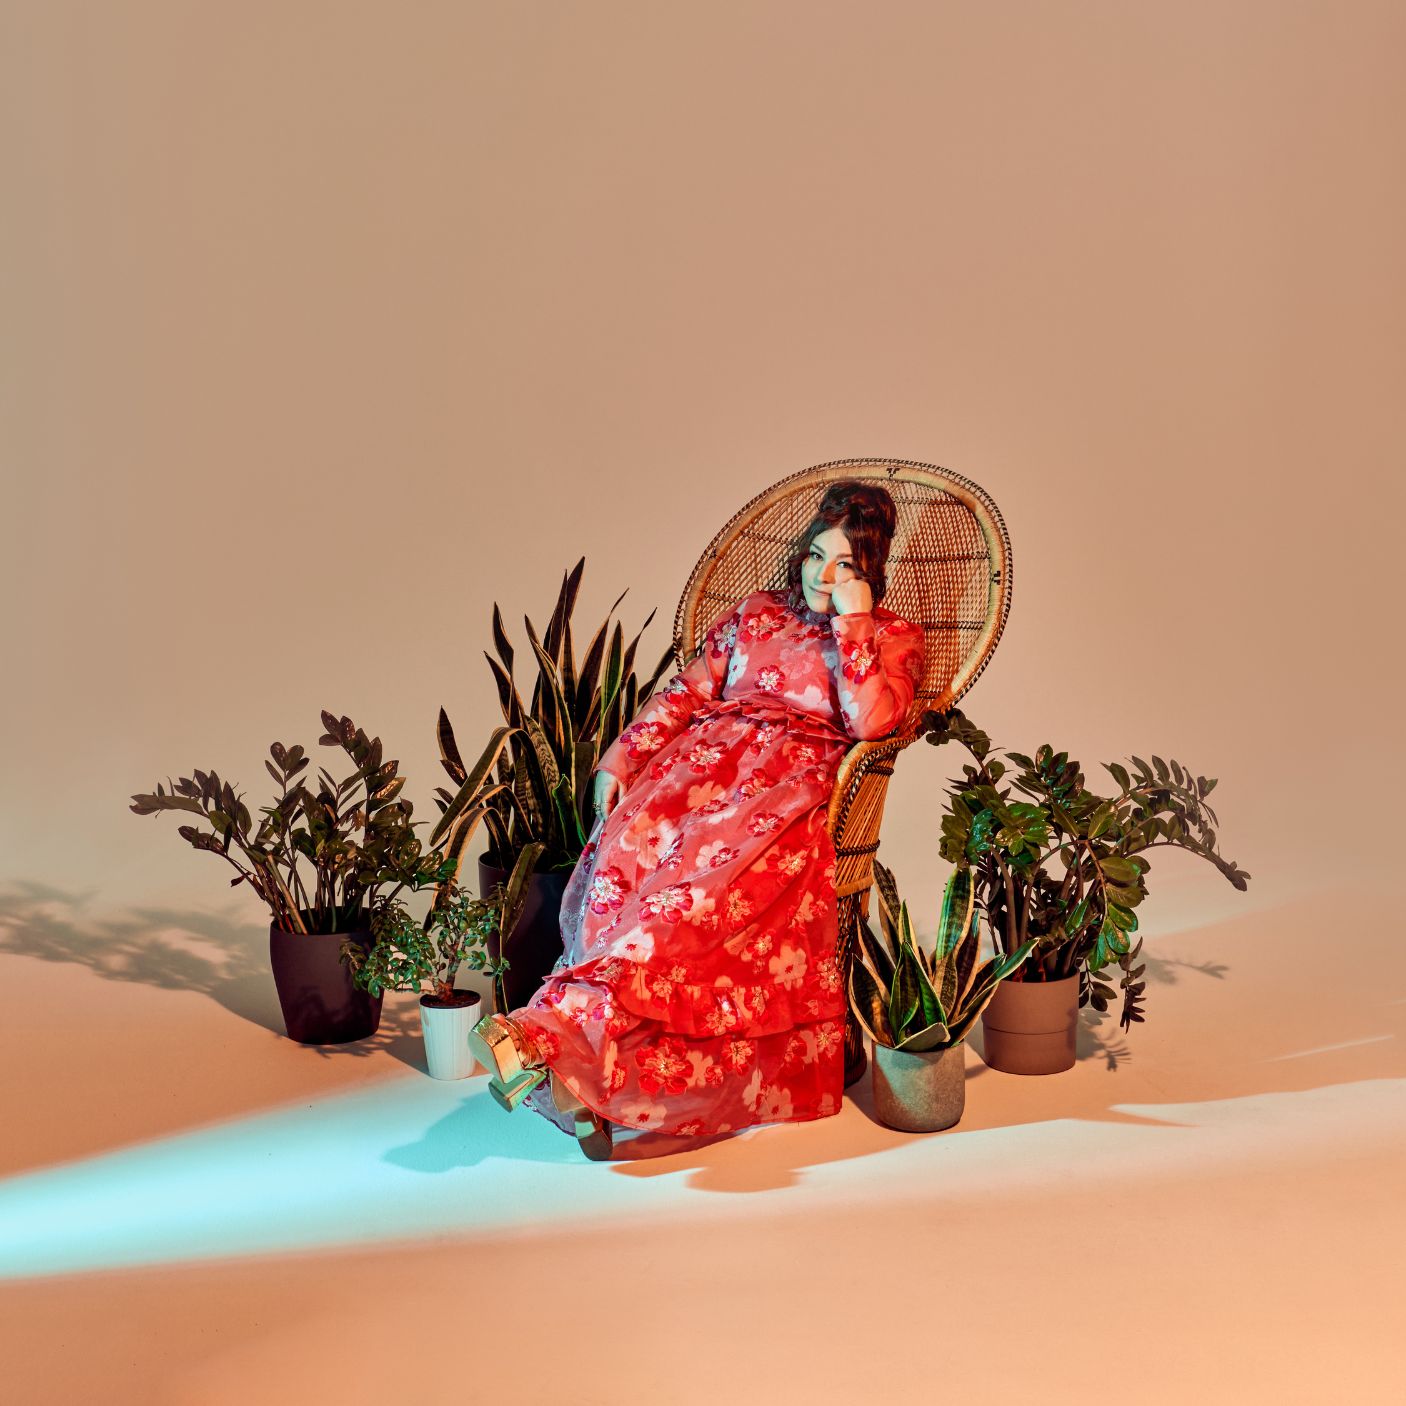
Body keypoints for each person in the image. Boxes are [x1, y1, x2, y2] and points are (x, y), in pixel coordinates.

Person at [468, 481, 925, 1158]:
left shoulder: (891, 636)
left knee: (688, 901)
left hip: (781, 792)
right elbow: (687, 692)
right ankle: (577, 1054)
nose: (824, 577)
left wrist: (852, 624)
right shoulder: (756, 614)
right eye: (815, 557)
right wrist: (623, 761)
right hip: (692, 772)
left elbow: (874, 722)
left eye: (847, 566)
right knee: (620, 864)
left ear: (872, 572)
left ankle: (546, 1036)